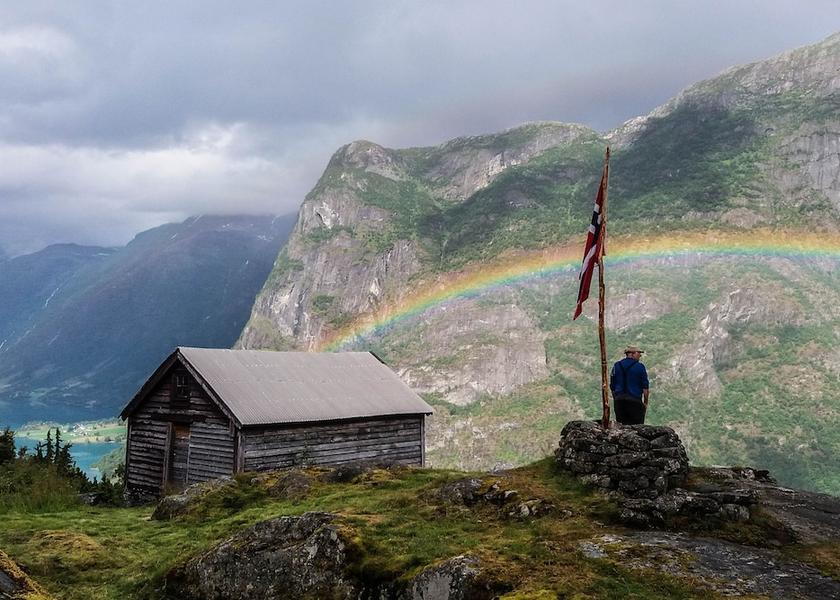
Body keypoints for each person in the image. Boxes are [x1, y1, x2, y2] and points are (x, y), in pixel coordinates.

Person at [610, 345, 650, 425]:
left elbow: (612, 385)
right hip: (634, 401)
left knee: (622, 427)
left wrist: (616, 398)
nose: (640, 355)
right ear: (632, 354)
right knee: (637, 428)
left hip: (619, 401)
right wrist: (645, 403)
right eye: (638, 353)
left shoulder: (616, 366)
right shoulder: (640, 367)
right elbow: (645, 388)